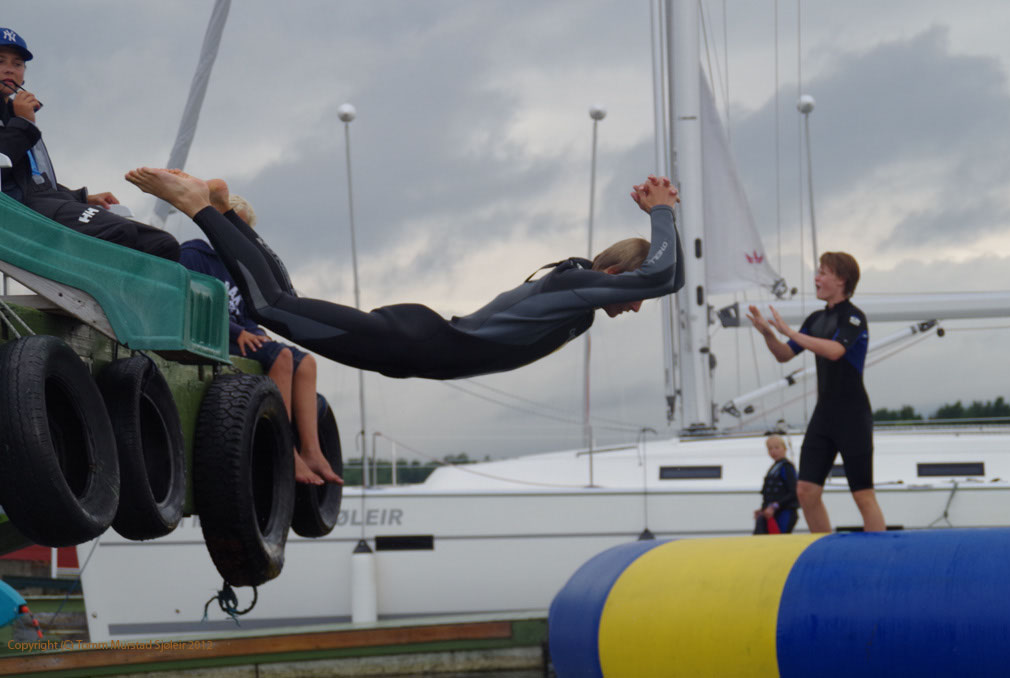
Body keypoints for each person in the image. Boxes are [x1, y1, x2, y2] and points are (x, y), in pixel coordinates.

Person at [124, 168, 684, 379]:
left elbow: (657, 279)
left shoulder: (575, 297)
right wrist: (662, 212)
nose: (636, 305)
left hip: (416, 347)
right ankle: (196, 206)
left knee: (283, 300)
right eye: (632, 293)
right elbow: (665, 277)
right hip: (415, 343)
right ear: (614, 271)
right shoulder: (578, 286)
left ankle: (223, 212)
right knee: (272, 307)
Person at [178, 191, 341, 487]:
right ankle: (287, 450)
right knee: (282, 357)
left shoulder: (239, 265)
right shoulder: (194, 255)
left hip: (243, 336)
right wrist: (237, 332)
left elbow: (249, 311)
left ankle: (312, 450)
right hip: (212, 335)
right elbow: (190, 303)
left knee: (306, 362)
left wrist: (254, 331)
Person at [0, 28, 178, 260]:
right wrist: (24, 124)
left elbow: (33, 182)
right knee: (117, 231)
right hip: (17, 213)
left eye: (18, 64)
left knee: (162, 244)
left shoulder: (17, 113)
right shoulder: (23, 120)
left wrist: (81, 198)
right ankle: (78, 282)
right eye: (1, 61)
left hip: (47, 203)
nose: (10, 69)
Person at [747, 252, 885, 533]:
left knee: (862, 494)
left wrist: (790, 331)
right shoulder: (815, 319)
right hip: (824, 416)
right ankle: (824, 546)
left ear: (841, 279)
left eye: (823, 273)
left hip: (852, 415)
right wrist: (769, 333)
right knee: (806, 491)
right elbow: (785, 354)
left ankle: (881, 551)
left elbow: (835, 351)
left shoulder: (854, 317)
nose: (816, 278)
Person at [753, 436, 799, 534]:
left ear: (784, 449)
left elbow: (793, 492)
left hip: (784, 512)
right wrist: (763, 509)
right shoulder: (773, 468)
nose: (773, 451)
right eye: (770, 449)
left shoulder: (787, 467)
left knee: (779, 538)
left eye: (777, 448)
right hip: (770, 514)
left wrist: (774, 506)